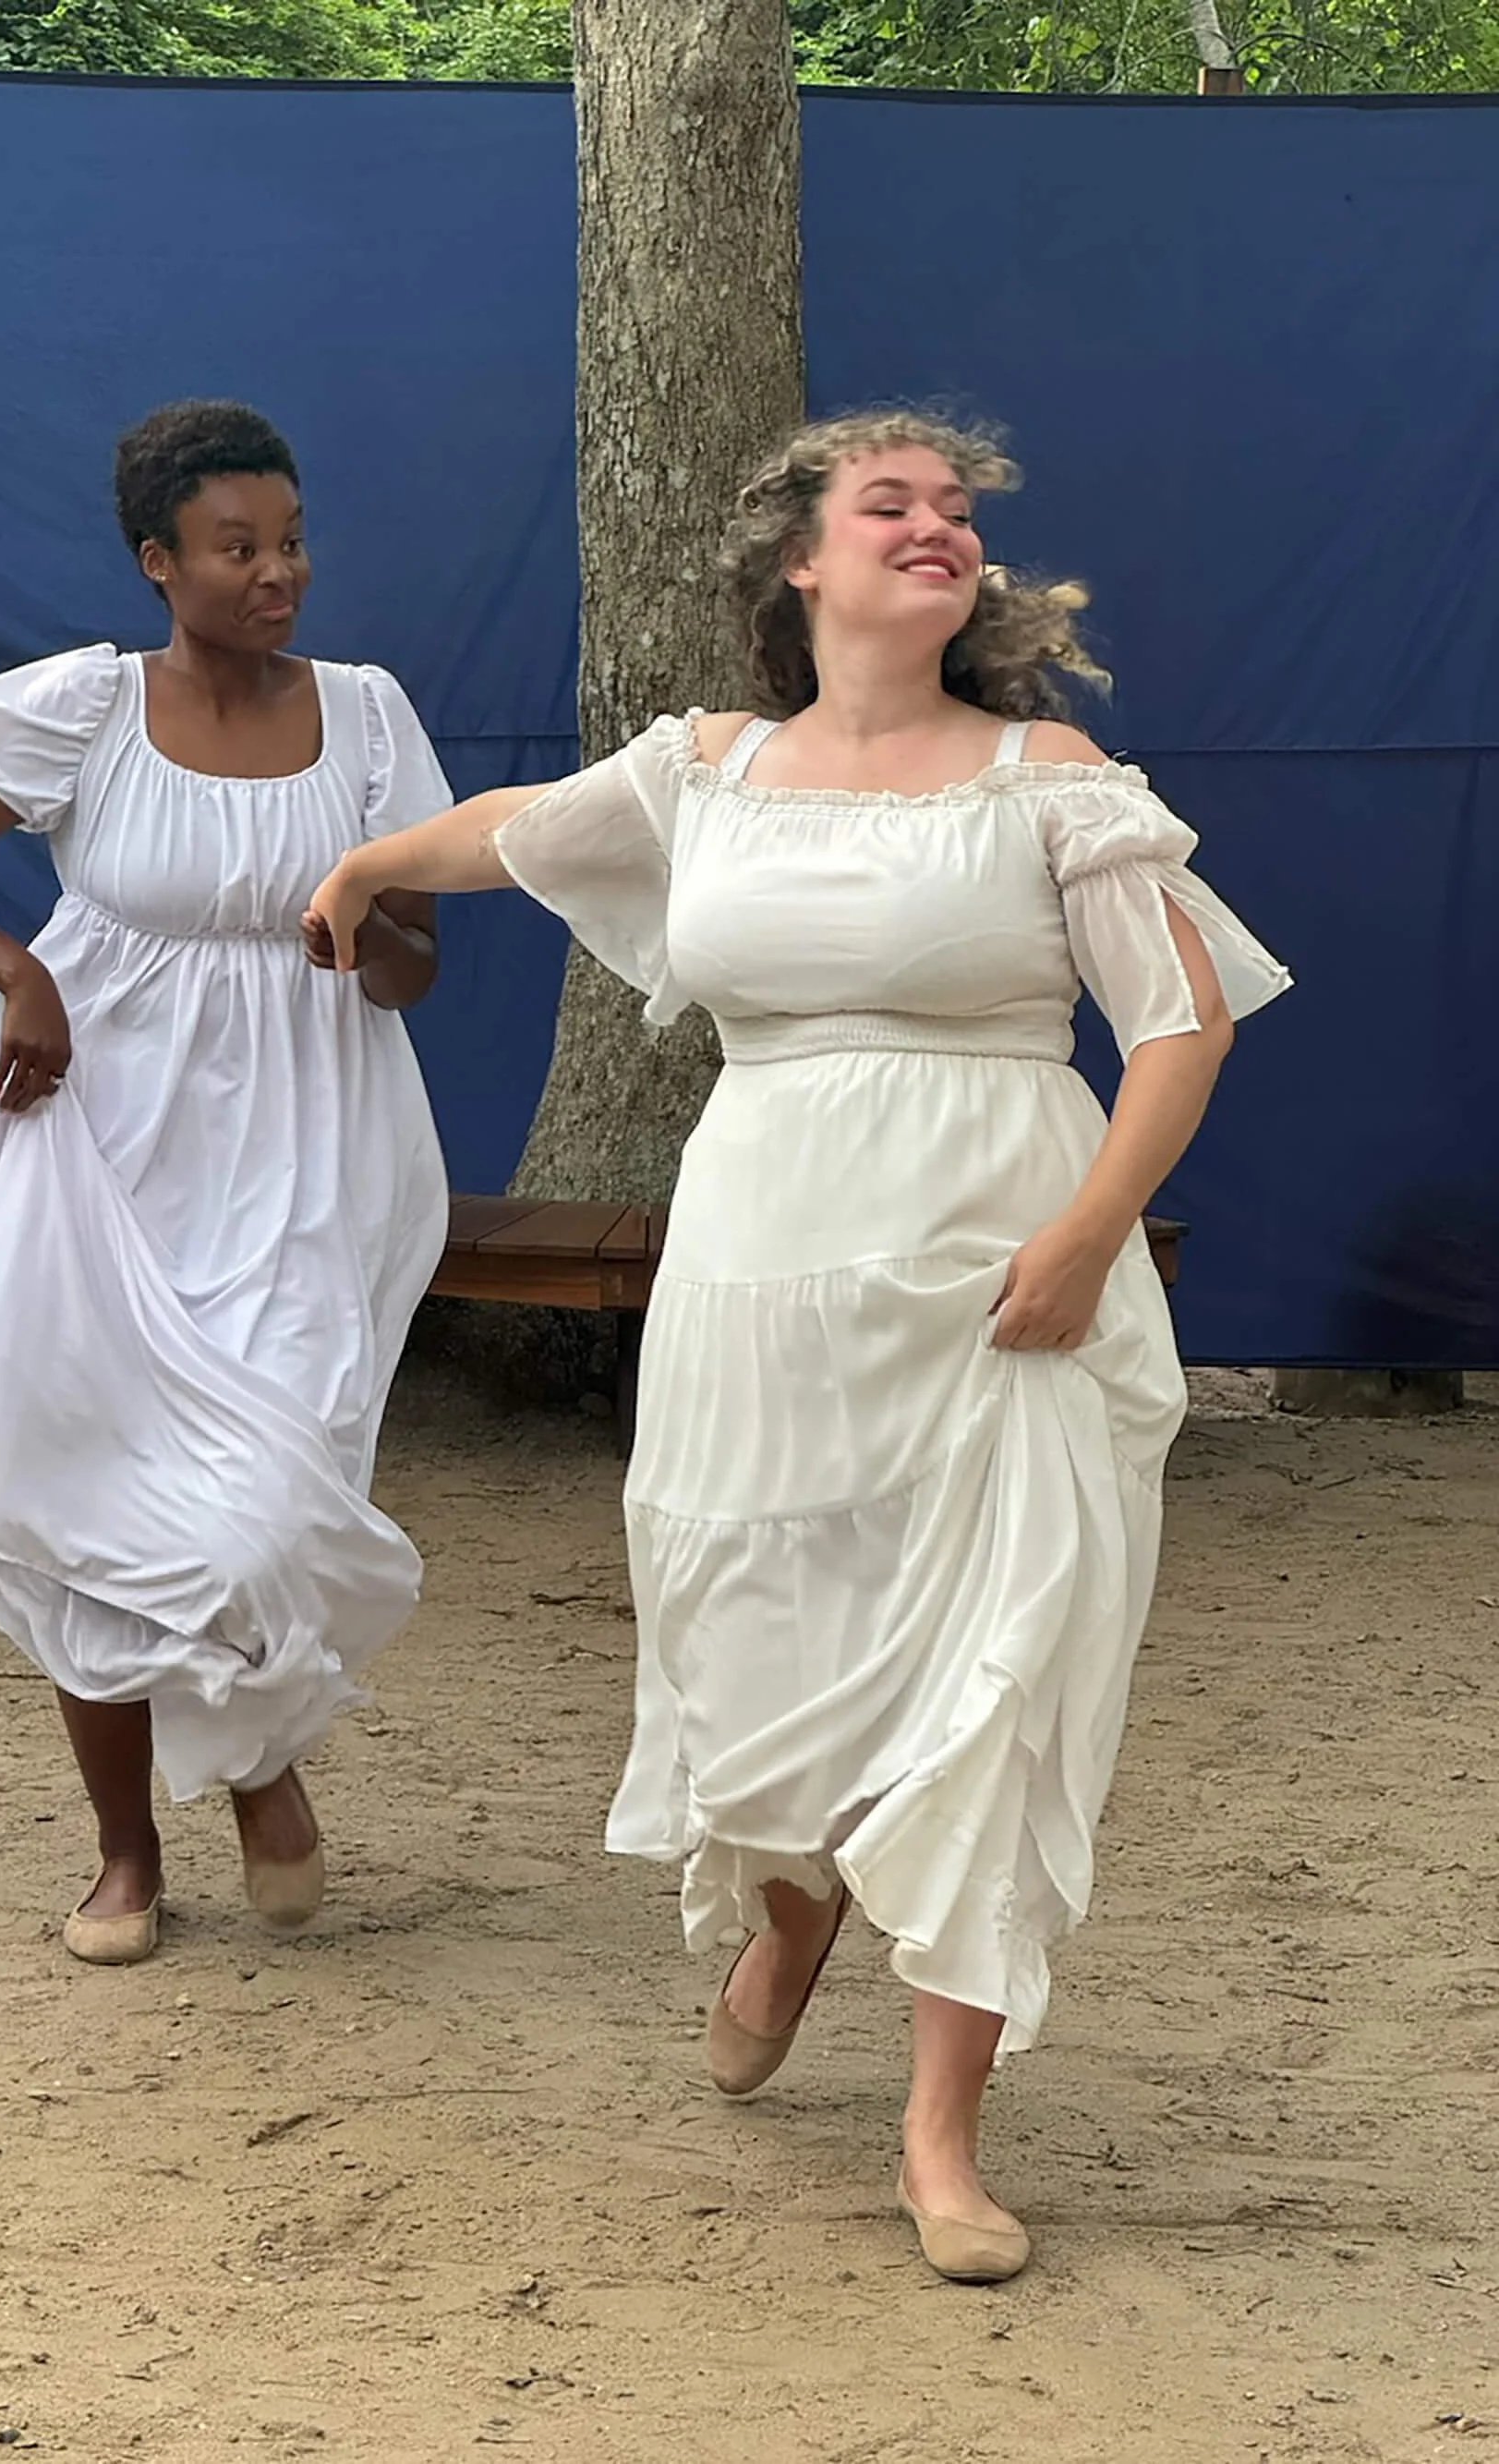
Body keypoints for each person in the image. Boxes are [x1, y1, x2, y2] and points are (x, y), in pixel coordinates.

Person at [302, 407, 1290, 2282]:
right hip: (759, 1256)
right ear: (802, 564)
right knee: (755, 1627)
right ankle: (789, 1910)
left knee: (999, 1673)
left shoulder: (1047, 775)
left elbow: (1177, 1028)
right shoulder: (708, 770)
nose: (936, 529)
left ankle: (939, 2133)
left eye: (958, 512)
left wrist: (1086, 1239)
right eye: (889, 505)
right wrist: (369, 870)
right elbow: (520, 832)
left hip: (1001, 1264)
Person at [0, 399, 450, 1967]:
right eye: (238, 547)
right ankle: (127, 1852)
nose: (279, 573)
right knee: (90, 1482)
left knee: (273, 1481)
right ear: (155, 563)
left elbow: (417, 968)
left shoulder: (370, 718)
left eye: (293, 540)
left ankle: (257, 1761)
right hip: (103, 1135)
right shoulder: (81, 713)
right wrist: (15, 978)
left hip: (314, 1146)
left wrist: (363, 931)